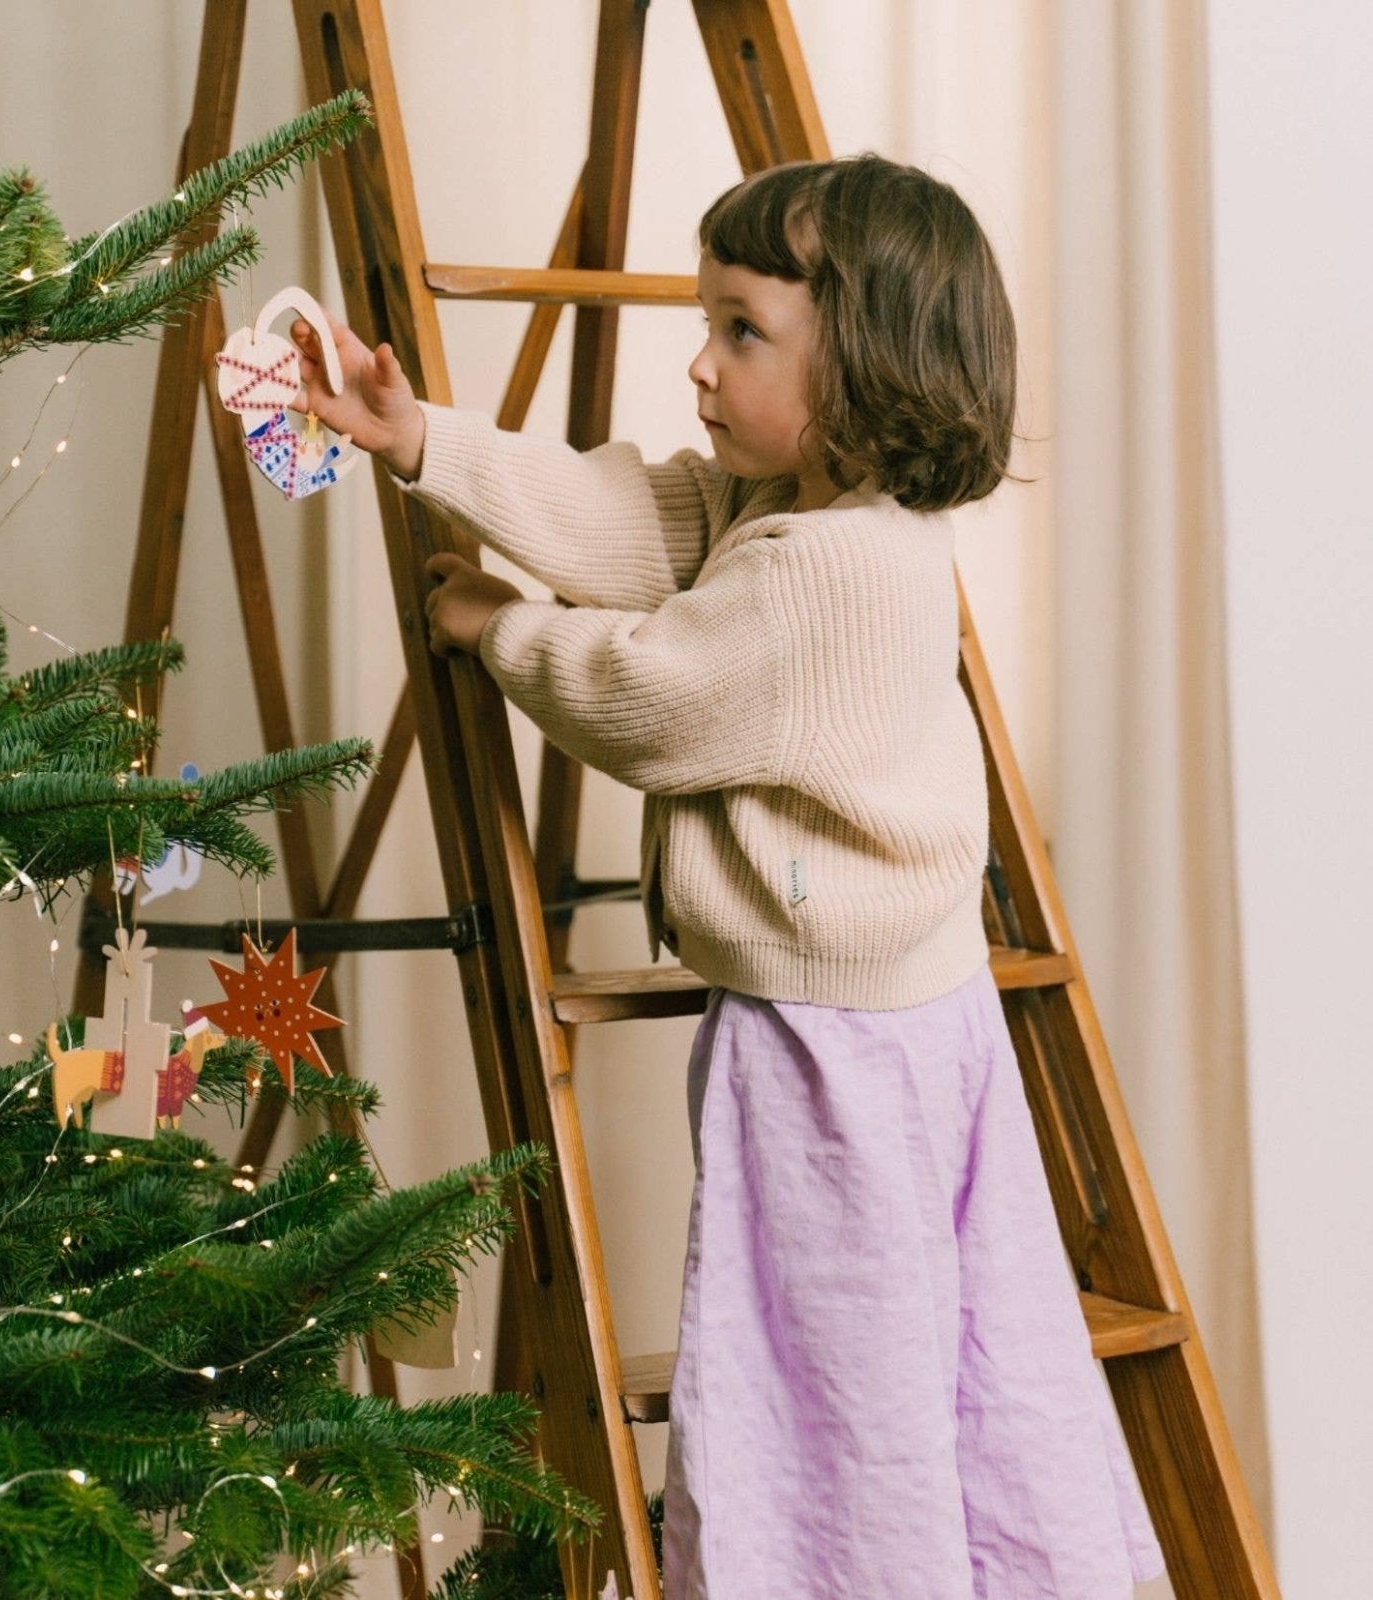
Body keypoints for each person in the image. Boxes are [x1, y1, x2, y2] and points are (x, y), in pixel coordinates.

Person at [290, 154, 1167, 1599]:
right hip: (915, 1026)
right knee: (939, 1348)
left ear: (865, 358)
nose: (697, 363)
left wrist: (492, 629)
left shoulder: (817, 572)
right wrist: (421, 442)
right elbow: (625, 519)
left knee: (830, 1366)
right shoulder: (819, 516)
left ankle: (841, 1575)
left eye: (741, 329)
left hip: (834, 1051)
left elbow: (653, 697)